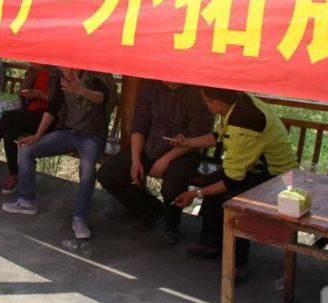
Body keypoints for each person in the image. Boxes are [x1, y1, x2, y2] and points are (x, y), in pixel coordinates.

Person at [172, 86, 298, 282]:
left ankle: (237, 264)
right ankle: (211, 243)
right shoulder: (235, 104)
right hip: (254, 167)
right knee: (211, 181)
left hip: (276, 177)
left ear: (217, 103)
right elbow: (217, 137)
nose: (205, 105)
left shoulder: (246, 122)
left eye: (206, 101)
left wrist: (195, 194)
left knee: (234, 201)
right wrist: (187, 142)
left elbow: (231, 181)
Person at [3, 68, 117, 240]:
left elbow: (101, 97)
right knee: (27, 149)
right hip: (68, 132)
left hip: (92, 136)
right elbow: (52, 108)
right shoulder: (62, 80)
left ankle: (80, 218)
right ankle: (26, 201)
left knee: (87, 168)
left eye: (70, 67)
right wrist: (38, 135)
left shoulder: (97, 75)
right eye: (63, 67)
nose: (67, 71)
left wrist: (81, 90)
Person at [97, 80, 214, 242]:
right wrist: (135, 159)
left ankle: (172, 225)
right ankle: (150, 209)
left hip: (184, 151)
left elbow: (198, 134)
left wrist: (166, 159)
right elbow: (139, 125)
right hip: (151, 145)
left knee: (173, 185)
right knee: (107, 173)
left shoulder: (196, 92)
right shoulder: (150, 86)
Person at [0, 63, 61, 194]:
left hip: (48, 118)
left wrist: (40, 95)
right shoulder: (33, 72)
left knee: (8, 116)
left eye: (34, 60)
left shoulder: (56, 74)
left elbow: (58, 103)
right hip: (30, 113)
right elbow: (23, 94)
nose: (31, 62)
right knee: (9, 134)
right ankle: (14, 175)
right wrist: (26, 94)